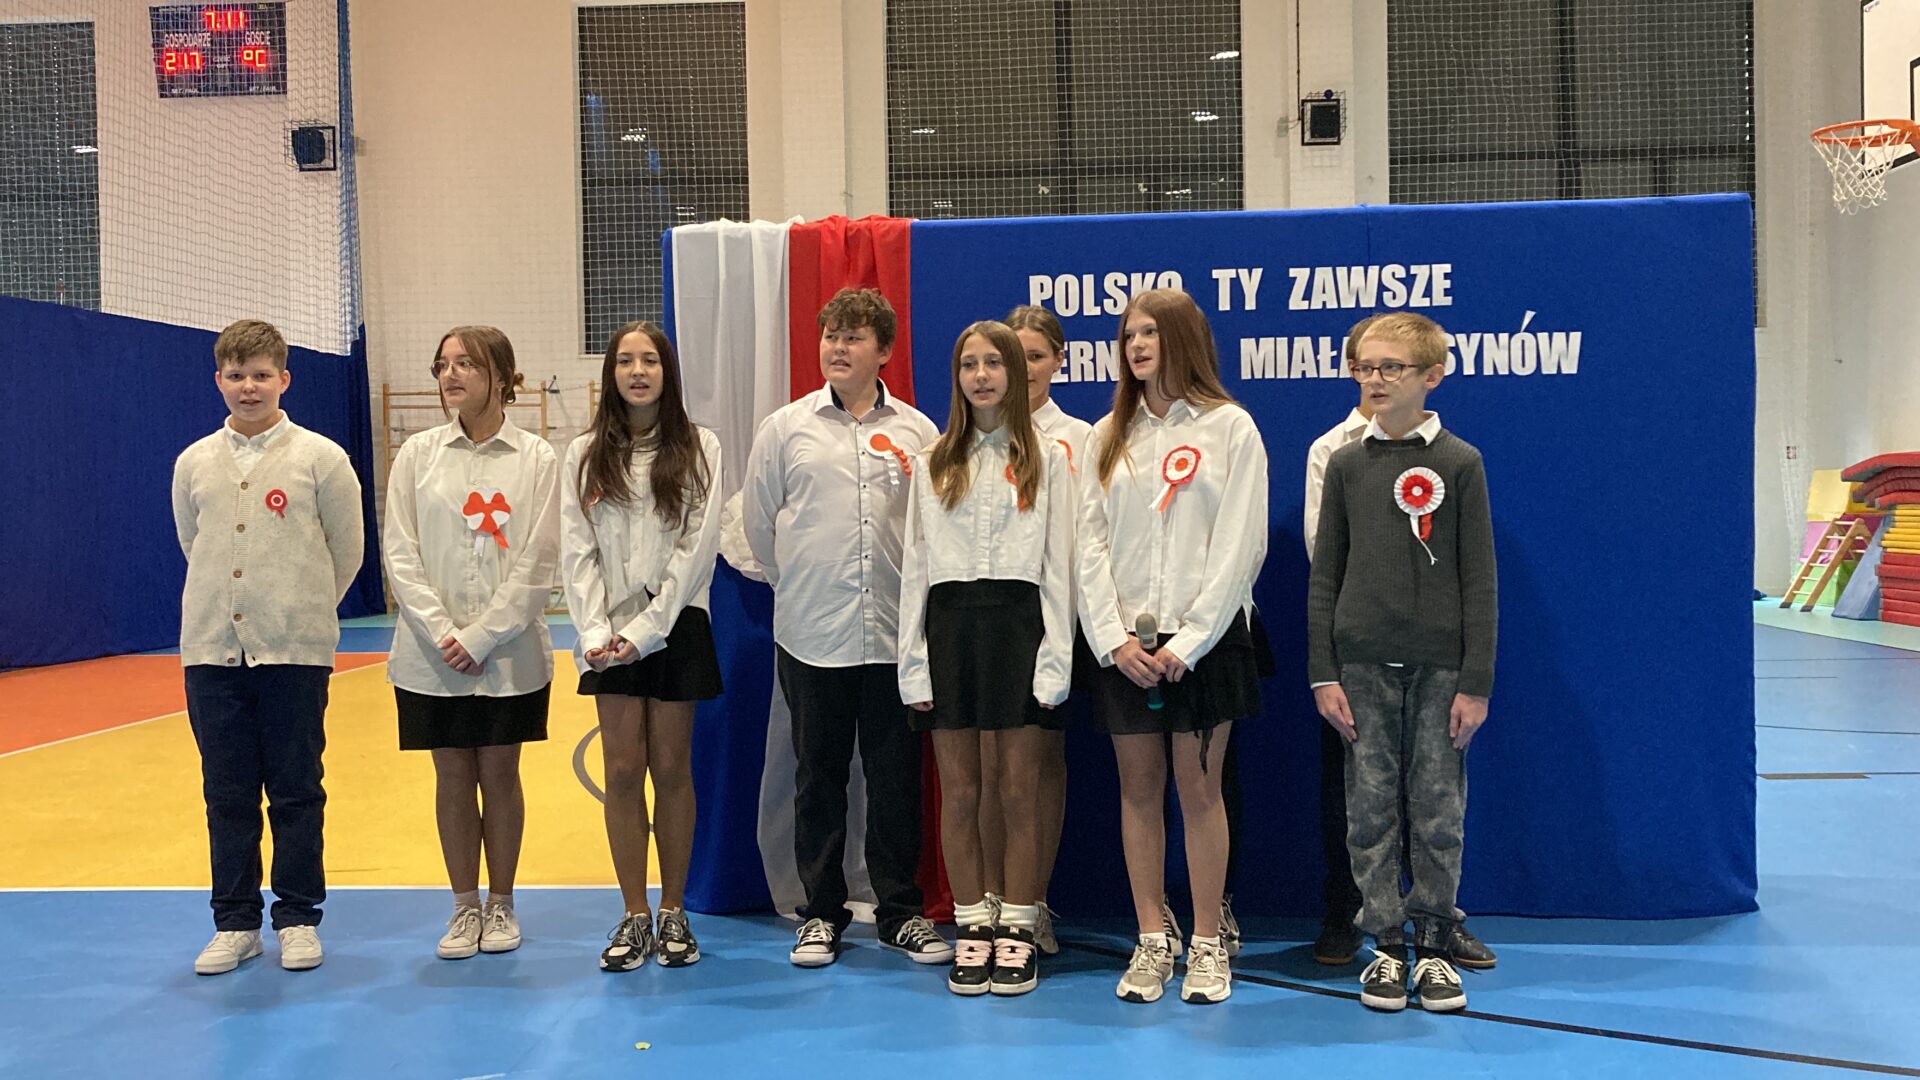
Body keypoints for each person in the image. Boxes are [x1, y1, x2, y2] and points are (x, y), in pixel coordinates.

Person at [744, 287, 952, 968]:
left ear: (884, 351)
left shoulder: (919, 433)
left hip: (893, 636)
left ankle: (900, 913)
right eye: (831, 334)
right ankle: (821, 913)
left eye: (854, 336)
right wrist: (802, 585)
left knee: (896, 782)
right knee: (818, 779)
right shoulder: (785, 429)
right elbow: (759, 528)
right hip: (812, 634)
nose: (838, 346)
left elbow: (932, 530)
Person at [1079, 288, 1268, 1005]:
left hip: (1207, 645)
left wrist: (1191, 640)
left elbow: (1241, 545)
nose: (1137, 345)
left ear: (1184, 339)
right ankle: (1153, 938)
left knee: (1199, 790)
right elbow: (1088, 546)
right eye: (1129, 334)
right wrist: (1112, 639)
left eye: (1151, 333)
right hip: (1127, 651)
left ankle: (1209, 943)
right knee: (1138, 792)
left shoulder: (1231, 429)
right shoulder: (1107, 435)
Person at [1308, 311, 1497, 1013]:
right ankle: (1386, 944)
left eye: (1391, 367)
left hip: (1442, 669)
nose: (1375, 379)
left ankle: (1435, 942)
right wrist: (1323, 671)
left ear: (1432, 376)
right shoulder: (1345, 464)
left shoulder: (1461, 462)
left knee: (1439, 809)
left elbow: (1480, 581)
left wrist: (1476, 682)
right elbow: (1325, 576)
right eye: (1365, 367)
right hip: (1360, 667)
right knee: (1369, 809)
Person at [173, 319, 364, 975]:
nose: (248, 386)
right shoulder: (194, 463)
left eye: (260, 374)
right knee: (226, 793)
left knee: (295, 789)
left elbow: (347, 551)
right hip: (212, 654)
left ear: (284, 379)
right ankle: (235, 923)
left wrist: (297, 610)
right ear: (218, 381)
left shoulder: (321, 458)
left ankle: (299, 917)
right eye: (236, 375)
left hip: (294, 654)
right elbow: (194, 544)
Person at [899, 320, 1074, 995]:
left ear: (1015, 373)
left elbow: (1059, 568)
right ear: (957, 377)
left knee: (1018, 790)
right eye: (968, 364)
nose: (981, 376)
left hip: (1019, 628)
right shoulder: (934, 460)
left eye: (993, 363)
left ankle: (1019, 927)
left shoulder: (1048, 459)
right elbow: (917, 567)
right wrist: (912, 662)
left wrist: (1055, 659)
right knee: (962, 792)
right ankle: (973, 924)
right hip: (950, 631)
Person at [384, 325, 561, 961]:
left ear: (502, 378)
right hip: (432, 656)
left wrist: (484, 635)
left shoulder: (537, 459)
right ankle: (464, 906)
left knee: (501, 772)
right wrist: (443, 632)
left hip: (509, 656)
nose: (450, 374)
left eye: (466, 364)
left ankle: (502, 903)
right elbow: (400, 550)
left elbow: (540, 558)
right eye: (442, 365)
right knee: (452, 774)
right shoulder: (418, 455)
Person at [562, 321, 724, 971]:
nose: (637, 371)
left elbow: (696, 549)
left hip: (676, 626)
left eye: (649, 360)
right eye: (625, 360)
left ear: (667, 372)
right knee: (623, 771)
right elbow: (577, 551)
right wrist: (596, 632)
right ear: (611, 374)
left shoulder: (701, 446)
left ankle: (674, 910)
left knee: (672, 769)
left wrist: (645, 631)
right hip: (608, 635)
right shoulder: (582, 454)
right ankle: (634, 914)